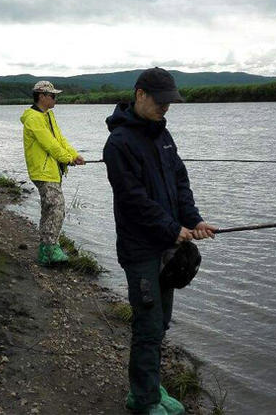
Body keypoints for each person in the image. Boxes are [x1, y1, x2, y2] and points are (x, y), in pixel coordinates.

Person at [103, 67, 217, 415]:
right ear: (140, 94)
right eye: (160, 101)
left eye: (170, 102)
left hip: (168, 247)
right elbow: (133, 200)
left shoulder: (164, 137)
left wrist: (193, 220)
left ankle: (151, 386)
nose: (166, 107)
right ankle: (142, 398)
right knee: (148, 324)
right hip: (140, 251)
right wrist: (171, 228)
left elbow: (180, 184)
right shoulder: (118, 144)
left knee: (162, 320)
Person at [20, 80, 85, 266]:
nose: (56, 98)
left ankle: (46, 250)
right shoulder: (33, 118)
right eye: (53, 96)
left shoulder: (48, 115)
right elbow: (48, 144)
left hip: (51, 171)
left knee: (50, 208)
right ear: (41, 96)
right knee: (56, 207)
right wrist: (67, 158)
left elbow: (59, 139)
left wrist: (74, 155)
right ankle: (50, 249)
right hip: (42, 172)